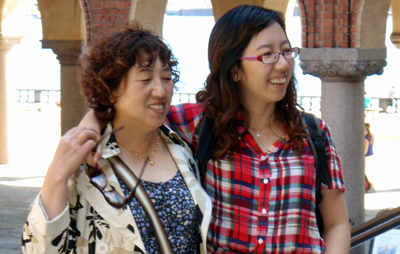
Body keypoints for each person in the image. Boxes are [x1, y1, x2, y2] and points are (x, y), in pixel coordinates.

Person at [82, 5, 350, 253]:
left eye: (286, 51)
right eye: (267, 54)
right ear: (234, 70)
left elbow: (336, 223)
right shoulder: (200, 125)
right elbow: (132, 112)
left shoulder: (313, 134)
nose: (282, 64)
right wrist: (91, 126)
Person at [21, 21, 211, 254]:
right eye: (145, 79)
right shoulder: (86, 162)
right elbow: (41, 249)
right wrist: (56, 175)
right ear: (111, 88)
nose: (161, 91)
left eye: (166, 77)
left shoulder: (181, 147)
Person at [365, 122, 375, 193]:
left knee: (367, 171)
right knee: (368, 171)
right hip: (371, 155)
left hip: (366, 156)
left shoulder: (365, 138)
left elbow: (365, 149)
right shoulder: (371, 135)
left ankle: (372, 186)